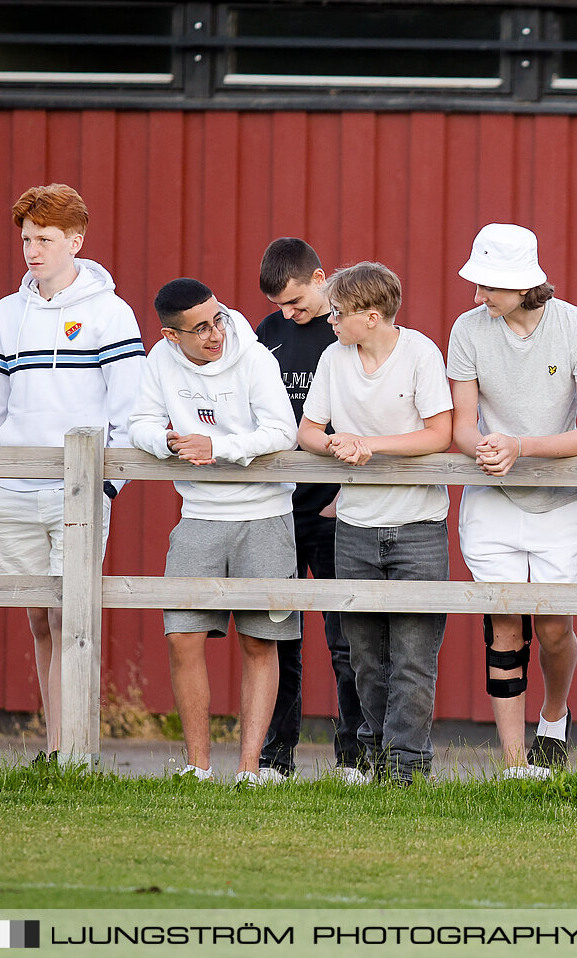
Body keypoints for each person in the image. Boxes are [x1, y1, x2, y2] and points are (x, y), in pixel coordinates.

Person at [0, 184, 142, 761]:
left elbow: (128, 408)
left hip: (78, 494)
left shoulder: (109, 312)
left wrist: (107, 486)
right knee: (40, 619)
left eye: (44, 238)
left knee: (74, 619)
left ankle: (75, 750)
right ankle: (54, 745)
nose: (32, 250)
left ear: (76, 240)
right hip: (12, 493)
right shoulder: (5, 313)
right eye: (25, 239)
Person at [448, 224, 577, 777]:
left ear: (523, 286)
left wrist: (521, 447)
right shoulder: (467, 330)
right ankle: (517, 764)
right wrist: (487, 449)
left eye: (487, 287)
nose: (476, 298)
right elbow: (462, 427)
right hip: (490, 500)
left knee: (552, 628)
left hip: (560, 505)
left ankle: (555, 715)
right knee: (505, 624)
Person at [129, 279, 298, 786]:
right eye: (200, 328)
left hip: (264, 513)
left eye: (218, 318)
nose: (215, 333)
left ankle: (249, 769)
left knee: (259, 641)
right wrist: (167, 442)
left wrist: (218, 448)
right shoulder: (159, 363)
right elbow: (137, 423)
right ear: (169, 336)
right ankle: (197, 766)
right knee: (183, 636)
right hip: (198, 514)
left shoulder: (254, 357)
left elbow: (282, 431)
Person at [299, 262, 454, 784]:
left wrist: (370, 446)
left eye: (339, 314)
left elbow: (438, 434)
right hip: (356, 527)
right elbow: (309, 431)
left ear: (372, 315)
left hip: (418, 525)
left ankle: (406, 768)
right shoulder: (333, 358)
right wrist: (335, 444)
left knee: (413, 656)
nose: (331, 322)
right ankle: (370, 756)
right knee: (363, 655)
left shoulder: (421, 354)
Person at [253, 238, 364, 783]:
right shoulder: (267, 336)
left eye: (297, 302)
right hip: (278, 507)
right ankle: (277, 757)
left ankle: (353, 756)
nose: (289, 314)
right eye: (280, 307)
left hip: (334, 510)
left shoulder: (346, 333)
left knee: (346, 640)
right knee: (280, 637)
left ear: (321, 278)